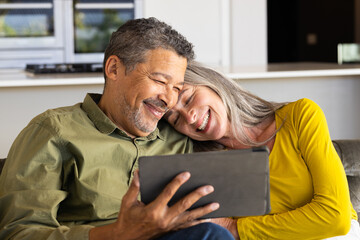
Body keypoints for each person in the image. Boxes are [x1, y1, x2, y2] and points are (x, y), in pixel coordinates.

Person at [0, 18, 235, 240]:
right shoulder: (53, 132)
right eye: (161, 81)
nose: (169, 100)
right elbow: (18, 232)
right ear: (113, 69)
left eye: (177, 88)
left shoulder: (177, 139)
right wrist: (115, 234)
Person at [164, 61, 360, 240]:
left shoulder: (300, 116)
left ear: (212, 84)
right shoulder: (206, 166)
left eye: (188, 98)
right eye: (176, 120)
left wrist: (235, 228)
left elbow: (337, 218)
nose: (189, 118)